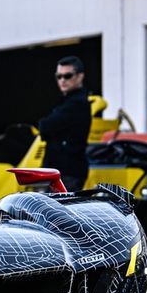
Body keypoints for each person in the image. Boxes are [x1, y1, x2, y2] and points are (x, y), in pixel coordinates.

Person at [38, 56, 92, 192]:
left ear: (80, 76)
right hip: (62, 172)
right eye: (59, 76)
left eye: (67, 76)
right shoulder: (68, 101)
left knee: (57, 212)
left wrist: (46, 126)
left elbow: (45, 126)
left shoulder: (76, 103)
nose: (62, 80)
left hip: (67, 173)